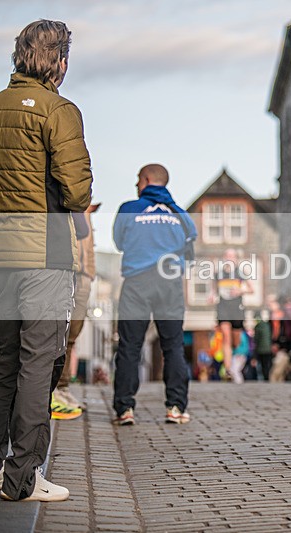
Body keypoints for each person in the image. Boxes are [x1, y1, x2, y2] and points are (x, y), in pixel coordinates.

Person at [0, 20, 92, 502]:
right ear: (60, 62)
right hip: (46, 254)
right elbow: (77, 191)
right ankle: (23, 478)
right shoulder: (59, 110)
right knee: (39, 363)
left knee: (2, 360)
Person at [112, 164, 196, 426]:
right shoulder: (180, 214)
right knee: (173, 347)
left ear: (147, 180)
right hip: (169, 283)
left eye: (138, 180)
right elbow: (190, 245)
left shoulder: (128, 209)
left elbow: (119, 242)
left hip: (137, 283)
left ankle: (125, 409)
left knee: (130, 347)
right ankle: (175, 408)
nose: (136, 186)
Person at [53, 203, 101, 417]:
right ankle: (54, 389)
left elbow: (89, 247)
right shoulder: (66, 204)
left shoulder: (86, 212)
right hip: (66, 272)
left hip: (83, 277)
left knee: (72, 336)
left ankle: (62, 388)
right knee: (57, 335)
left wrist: (90, 273)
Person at [210, 248, 253, 383]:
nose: (229, 258)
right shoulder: (218, 274)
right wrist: (211, 296)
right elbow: (213, 290)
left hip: (237, 309)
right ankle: (228, 370)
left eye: (232, 256)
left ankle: (233, 358)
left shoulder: (240, 273)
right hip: (223, 307)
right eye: (227, 256)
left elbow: (251, 289)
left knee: (236, 341)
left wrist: (240, 290)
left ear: (236, 259)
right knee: (226, 338)